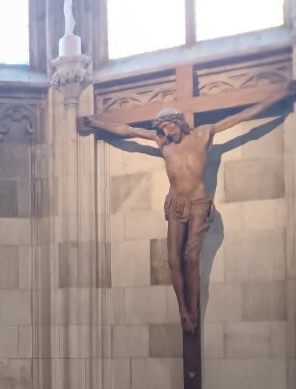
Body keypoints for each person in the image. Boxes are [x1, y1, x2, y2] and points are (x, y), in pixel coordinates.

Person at [83, 86, 294, 333]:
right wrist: (96, 123)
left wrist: (281, 95)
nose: (164, 131)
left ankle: (193, 310)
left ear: (179, 122)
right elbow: (127, 130)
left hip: (198, 203)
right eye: (161, 128)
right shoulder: (162, 143)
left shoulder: (204, 134)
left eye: (167, 126)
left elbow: (243, 116)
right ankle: (183, 310)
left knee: (191, 258)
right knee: (172, 260)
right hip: (176, 203)